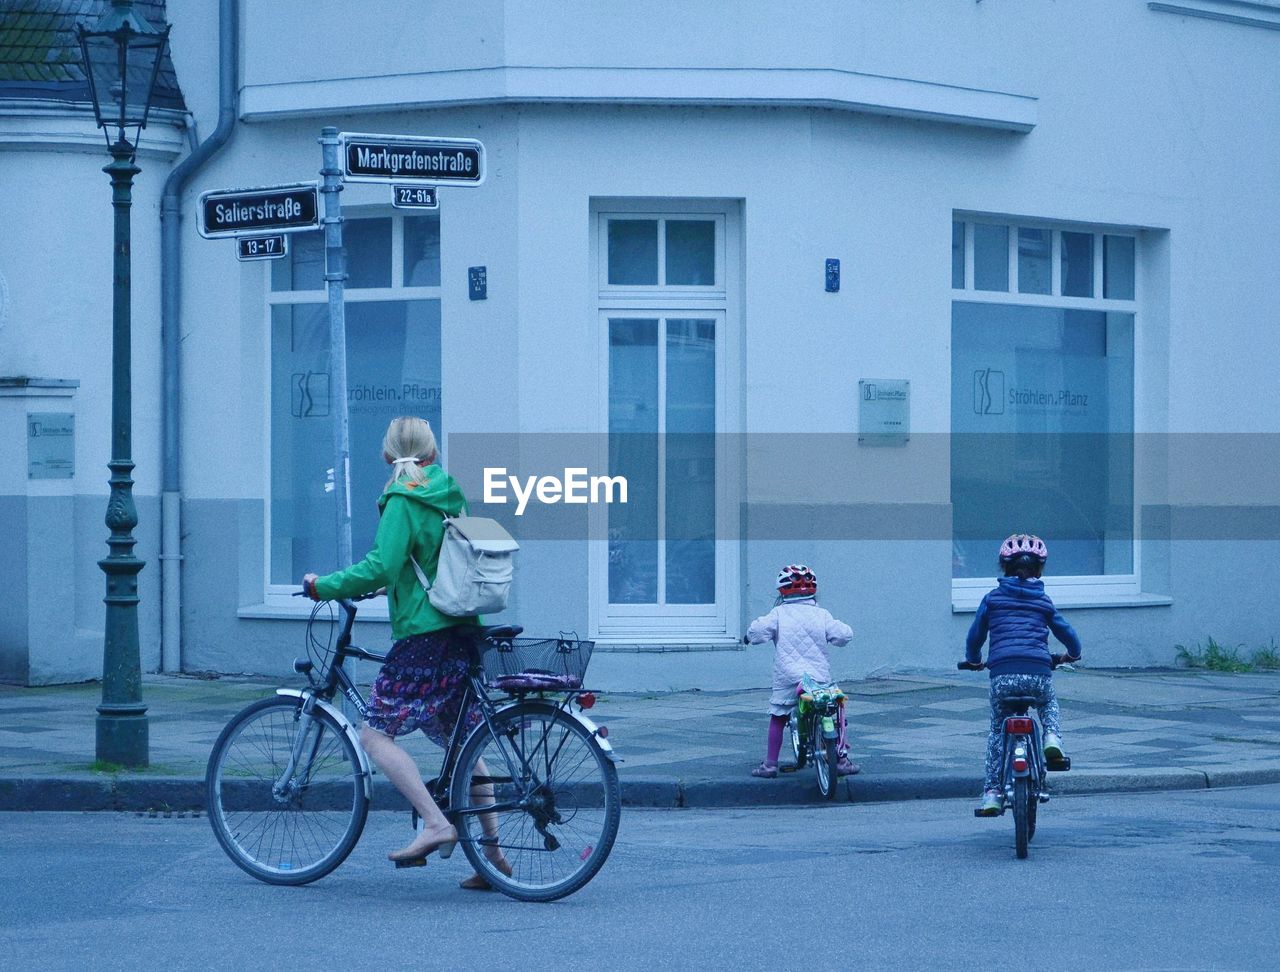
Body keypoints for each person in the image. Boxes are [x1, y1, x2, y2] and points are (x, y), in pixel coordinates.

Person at [303, 415, 512, 890]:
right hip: (460, 629)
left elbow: (383, 562)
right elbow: (431, 560)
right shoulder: (447, 490)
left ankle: (437, 824)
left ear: (385, 455)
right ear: (432, 454)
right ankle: (493, 855)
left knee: (375, 735)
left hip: (424, 636)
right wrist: (391, 587)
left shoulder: (402, 497)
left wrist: (325, 586)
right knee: (465, 743)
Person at [965, 533, 1082, 816]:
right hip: (1038, 673)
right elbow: (1067, 633)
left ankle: (992, 793)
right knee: (1048, 703)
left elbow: (975, 635)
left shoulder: (992, 599)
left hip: (1002, 676)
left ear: (1003, 567)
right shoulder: (1043, 601)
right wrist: (1073, 654)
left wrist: (974, 660)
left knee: (997, 731)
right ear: (1039, 569)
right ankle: (1052, 738)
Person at [745, 564, 857, 778]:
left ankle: (769, 765)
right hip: (817, 677)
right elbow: (842, 636)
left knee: (778, 717)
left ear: (781, 591)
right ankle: (841, 760)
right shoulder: (822, 615)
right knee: (831, 711)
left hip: (788, 677)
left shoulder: (778, 613)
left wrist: (749, 637)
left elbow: (758, 632)